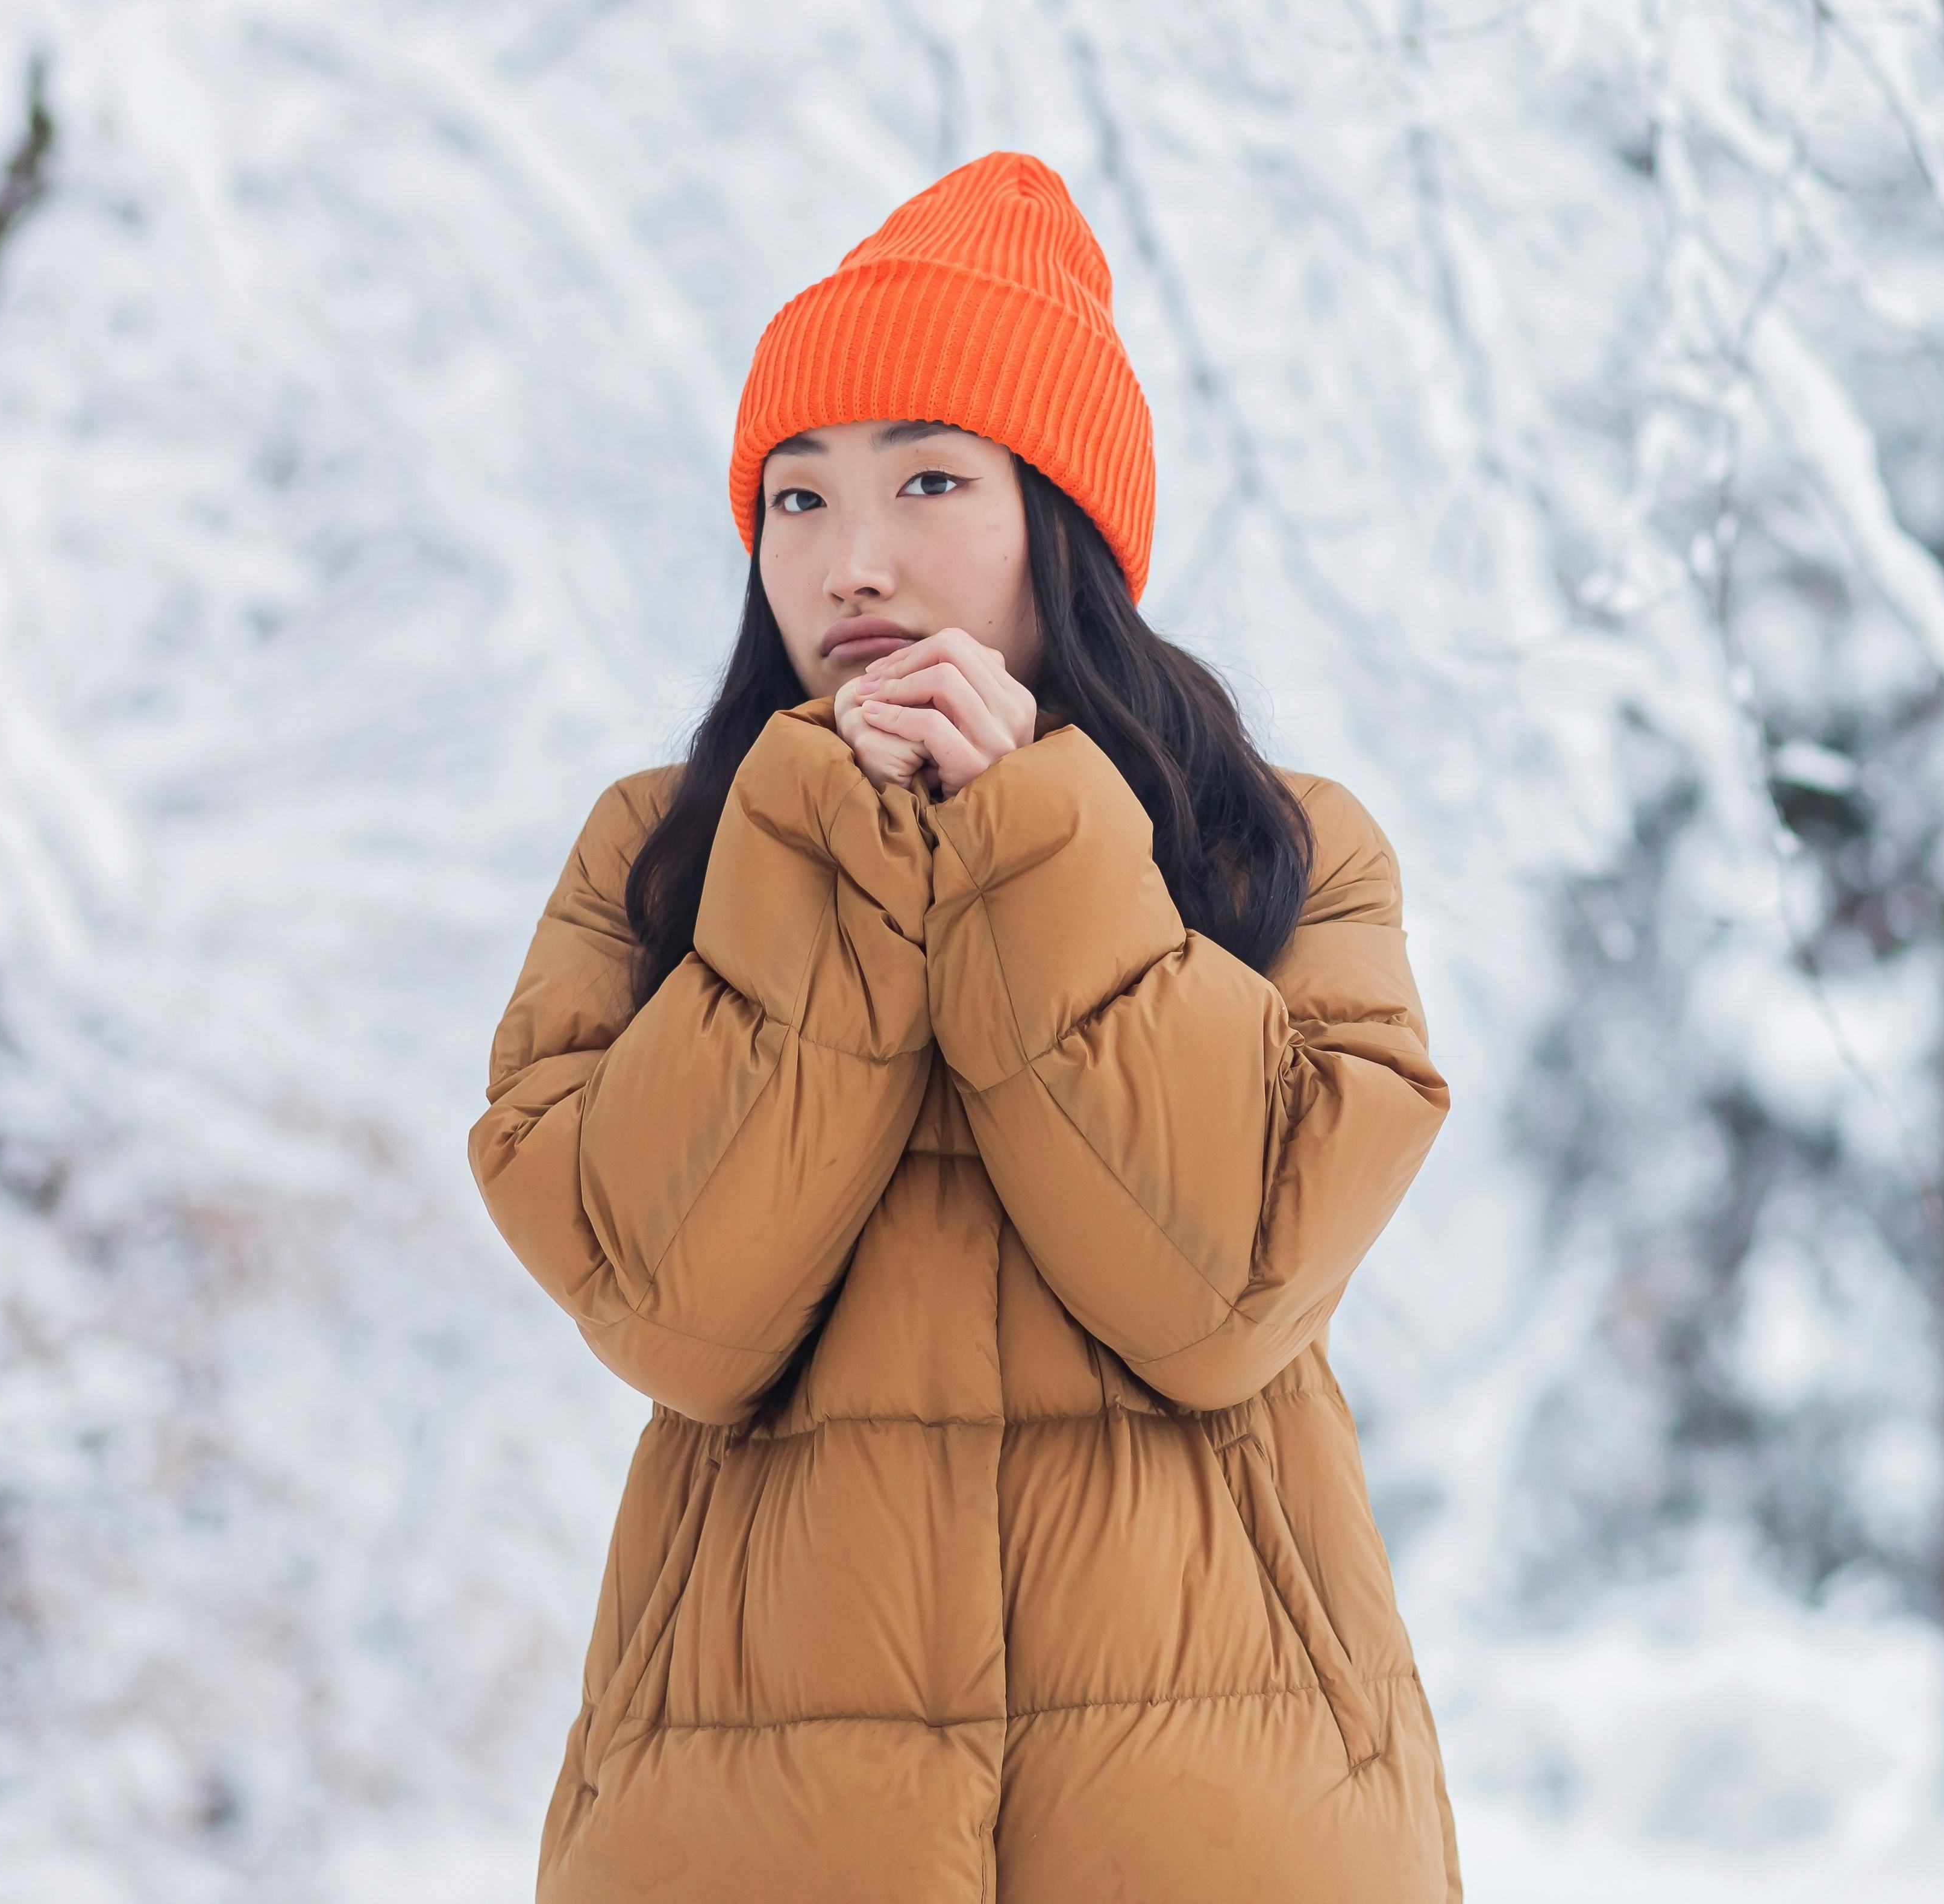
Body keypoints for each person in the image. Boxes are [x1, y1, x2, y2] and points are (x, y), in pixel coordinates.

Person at [468, 152, 1461, 1900]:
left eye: (930, 479)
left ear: (1062, 522)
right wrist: (810, 855)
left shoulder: (1279, 851)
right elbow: (680, 1311)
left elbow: (1224, 1291)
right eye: (797, 501)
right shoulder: (664, 858)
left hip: (1224, 1836)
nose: (855, 563)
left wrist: (1035, 846)